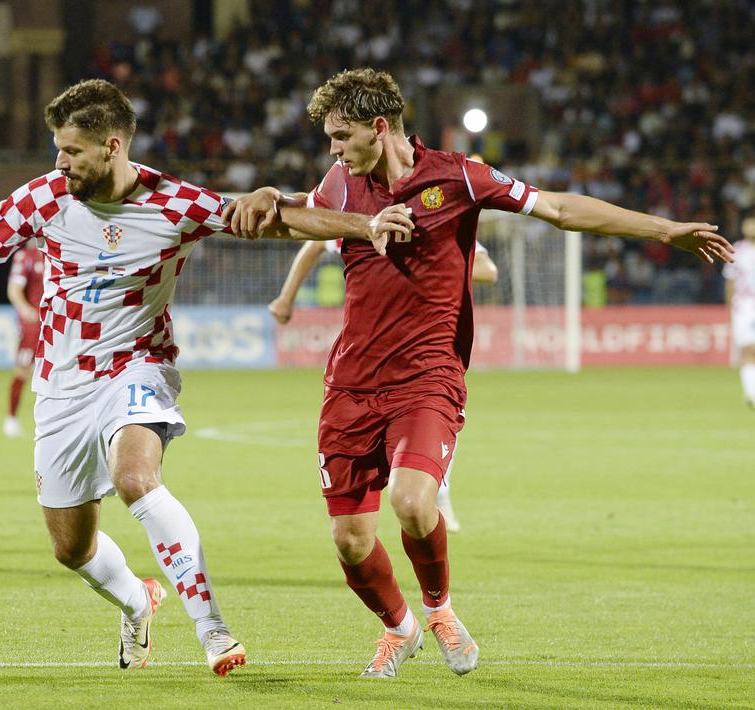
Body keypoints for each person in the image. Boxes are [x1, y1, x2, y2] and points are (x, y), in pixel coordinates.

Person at [0, 79, 412, 675]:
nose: (61, 162)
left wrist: (366, 226)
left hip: (138, 366)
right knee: (70, 548)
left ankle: (213, 631)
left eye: (71, 151)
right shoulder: (44, 198)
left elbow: (279, 221)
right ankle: (137, 600)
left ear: (111, 146)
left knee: (135, 477)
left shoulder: (173, 205)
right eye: (58, 149)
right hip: (61, 384)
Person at [225, 68, 732, 679]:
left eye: (341, 135)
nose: (332, 149)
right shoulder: (341, 182)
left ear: (378, 128)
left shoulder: (459, 175)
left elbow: (560, 209)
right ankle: (399, 628)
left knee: (414, 502)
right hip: (351, 382)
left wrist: (664, 228)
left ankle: (439, 610)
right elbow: (293, 222)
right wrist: (270, 198)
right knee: (350, 541)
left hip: (428, 374)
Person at [268, 237, 498, 533]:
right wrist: (286, 297)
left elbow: (487, 269)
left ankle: (438, 491)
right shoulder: (359, 222)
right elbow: (314, 242)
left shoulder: (435, 225)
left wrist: (423, 261)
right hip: (367, 368)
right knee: (352, 527)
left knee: (431, 425)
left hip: (425, 361)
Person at [3, 240, 43, 437]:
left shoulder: (56, 252)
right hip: (33, 326)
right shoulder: (25, 257)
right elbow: (14, 289)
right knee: (23, 371)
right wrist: (25, 308)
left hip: (56, 325)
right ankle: (11, 418)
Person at [724, 234, 755, 407]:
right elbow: (730, 280)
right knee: (748, 349)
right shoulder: (738, 250)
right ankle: (751, 392)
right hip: (744, 306)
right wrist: (729, 307)